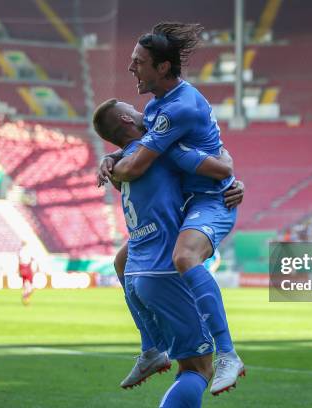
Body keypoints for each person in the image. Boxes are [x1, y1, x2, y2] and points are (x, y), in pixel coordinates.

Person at [98, 22, 245, 395]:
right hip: (190, 202)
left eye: (138, 62)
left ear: (163, 67)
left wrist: (117, 166)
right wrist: (112, 156)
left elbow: (137, 164)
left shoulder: (177, 107)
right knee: (122, 261)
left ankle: (227, 352)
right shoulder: (157, 106)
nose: (132, 68)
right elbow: (135, 144)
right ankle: (150, 347)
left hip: (212, 199)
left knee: (183, 257)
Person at [94, 98, 226, 407]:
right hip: (166, 270)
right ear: (128, 120)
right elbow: (219, 169)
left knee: (188, 365)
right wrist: (234, 182)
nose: (145, 113)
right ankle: (152, 351)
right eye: (135, 110)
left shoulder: (123, 165)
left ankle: (151, 349)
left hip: (139, 270)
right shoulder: (157, 153)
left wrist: (109, 155)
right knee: (199, 369)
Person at [18, 241, 37, 305]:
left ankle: (25, 296)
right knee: (29, 286)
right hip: (25, 268)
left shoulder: (22, 251)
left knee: (28, 286)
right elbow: (21, 260)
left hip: (26, 268)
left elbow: (21, 260)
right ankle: (25, 297)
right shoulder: (24, 251)